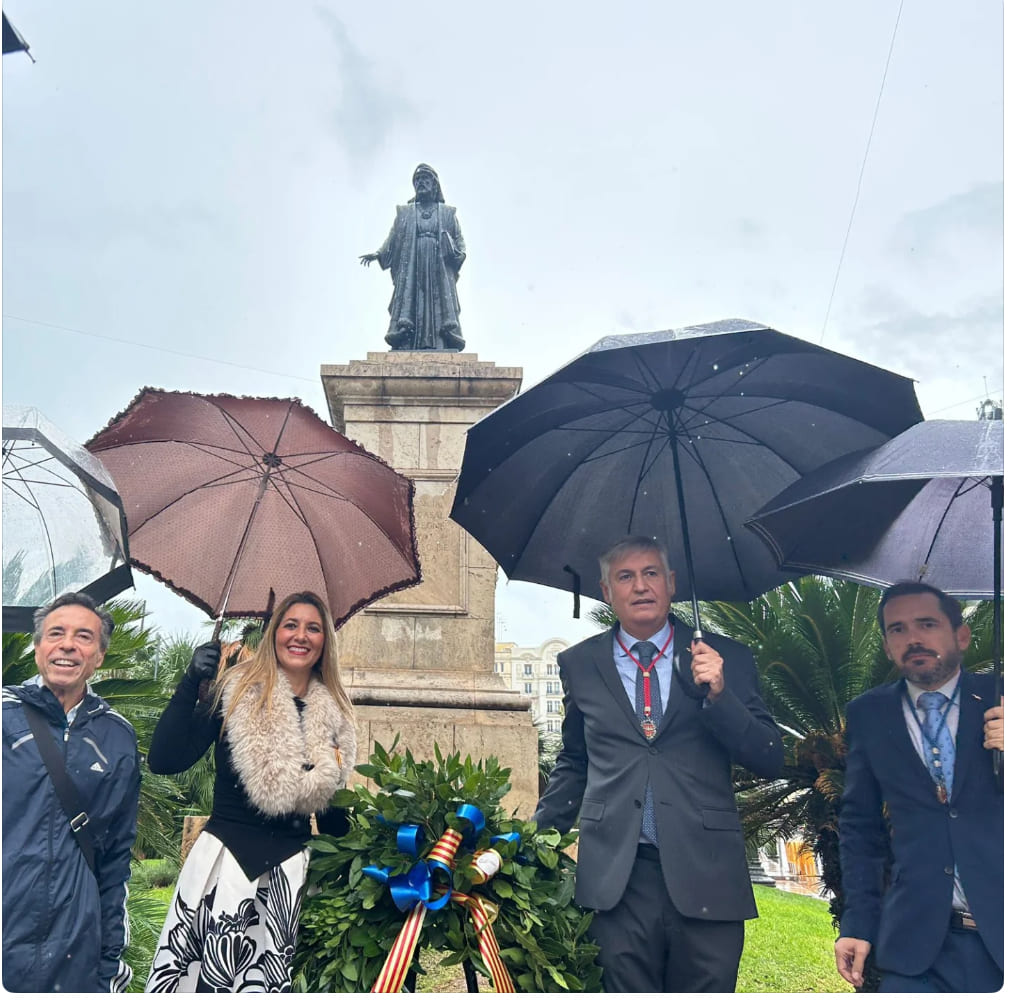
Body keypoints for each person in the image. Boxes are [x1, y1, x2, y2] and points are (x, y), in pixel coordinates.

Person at [534, 535, 784, 993]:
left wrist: (721, 696)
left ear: (671, 583)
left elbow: (769, 757)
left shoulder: (727, 658)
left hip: (708, 875)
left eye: (651, 573)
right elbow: (574, 761)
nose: (640, 586)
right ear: (606, 591)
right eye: (625, 576)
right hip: (617, 880)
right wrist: (533, 841)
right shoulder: (579, 664)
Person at [144, 591, 357, 992]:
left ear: (325, 641)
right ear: (274, 633)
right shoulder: (235, 692)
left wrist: (369, 867)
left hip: (290, 879)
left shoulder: (335, 715)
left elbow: (332, 817)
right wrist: (190, 683)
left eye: (313, 628)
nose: (301, 635)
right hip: (223, 866)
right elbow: (164, 760)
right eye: (290, 625)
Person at [834, 581, 1003, 993]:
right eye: (898, 629)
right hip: (917, 949)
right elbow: (860, 827)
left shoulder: (1003, 698)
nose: (913, 638)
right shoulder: (869, 714)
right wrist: (857, 924)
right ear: (886, 646)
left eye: (927, 624)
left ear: (961, 635)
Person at [2, 592, 140, 993]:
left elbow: (116, 859)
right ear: (37, 647)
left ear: (99, 656)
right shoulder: (4, 715)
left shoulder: (117, 736)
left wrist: (108, 966)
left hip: (75, 948)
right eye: (55, 633)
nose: (67, 645)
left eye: (83, 636)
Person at [360, 163, 466, 351]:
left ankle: (443, 336)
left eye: (425, 179)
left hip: (439, 264)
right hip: (412, 262)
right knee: (412, 298)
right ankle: (406, 334)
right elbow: (393, 237)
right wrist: (379, 254)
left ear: (434, 184)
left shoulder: (447, 213)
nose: (420, 183)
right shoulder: (406, 212)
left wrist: (460, 253)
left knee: (438, 299)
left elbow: (459, 239)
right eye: (417, 180)